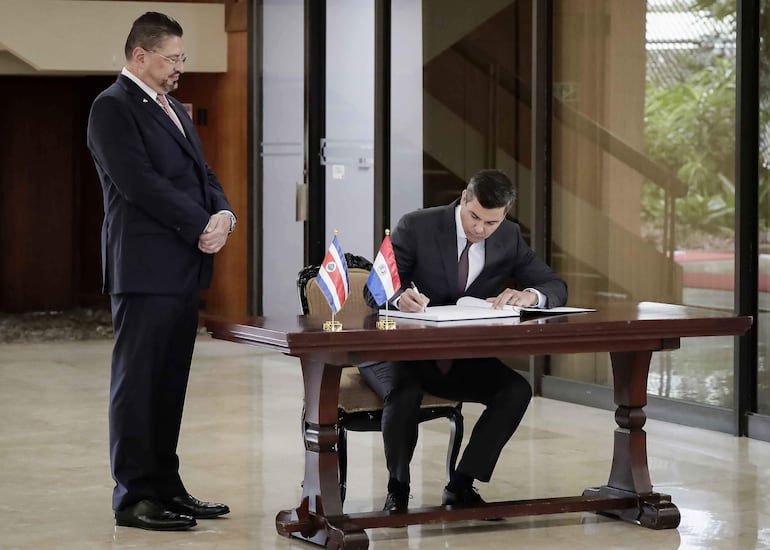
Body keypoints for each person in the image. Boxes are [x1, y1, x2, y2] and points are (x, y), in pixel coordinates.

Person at [87, 12, 236, 531]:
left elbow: (204, 172)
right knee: (138, 385)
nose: (179, 67)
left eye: (182, 58)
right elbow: (138, 183)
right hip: (145, 268)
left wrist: (223, 214)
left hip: (182, 268)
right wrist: (199, 224)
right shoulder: (111, 108)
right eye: (172, 58)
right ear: (139, 56)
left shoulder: (172, 106)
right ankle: (133, 497)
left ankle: (166, 487)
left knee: (169, 385)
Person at [360, 169, 568, 512]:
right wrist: (398, 299)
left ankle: (461, 485)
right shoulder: (417, 226)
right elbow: (374, 289)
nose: (480, 229)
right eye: (475, 217)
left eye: (491, 223)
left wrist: (531, 296)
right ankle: (398, 488)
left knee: (515, 390)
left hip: (458, 356)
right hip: (397, 352)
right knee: (406, 391)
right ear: (463, 199)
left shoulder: (509, 237)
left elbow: (555, 285)